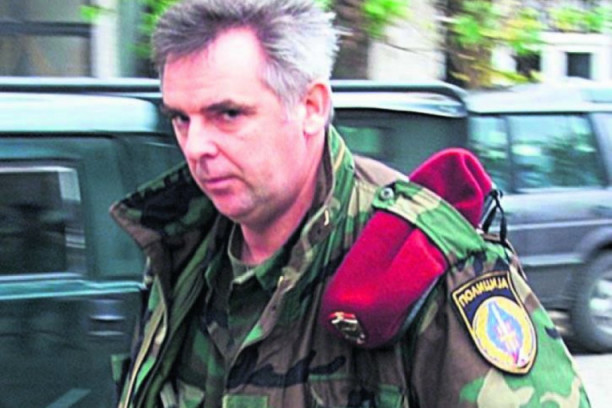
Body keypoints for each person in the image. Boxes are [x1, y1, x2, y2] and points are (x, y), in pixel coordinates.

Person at [110, 0, 590, 407]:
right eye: (181, 119)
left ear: (311, 107)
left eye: (228, 114)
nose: (196, 146)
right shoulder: (181, 251)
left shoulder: (421, 264)